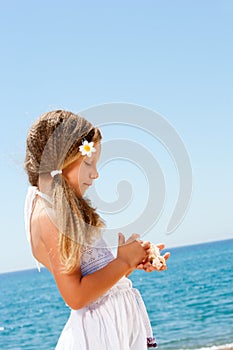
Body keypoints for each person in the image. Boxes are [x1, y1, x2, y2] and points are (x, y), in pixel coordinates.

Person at [24, 110, 170, 350]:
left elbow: (95, 283)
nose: (95, 173)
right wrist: (122, 262)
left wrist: (132, 259)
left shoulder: (66, 211)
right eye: (88, 162)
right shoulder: (47, 215)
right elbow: (76, 296)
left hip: (113, 329)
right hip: (99, 337)